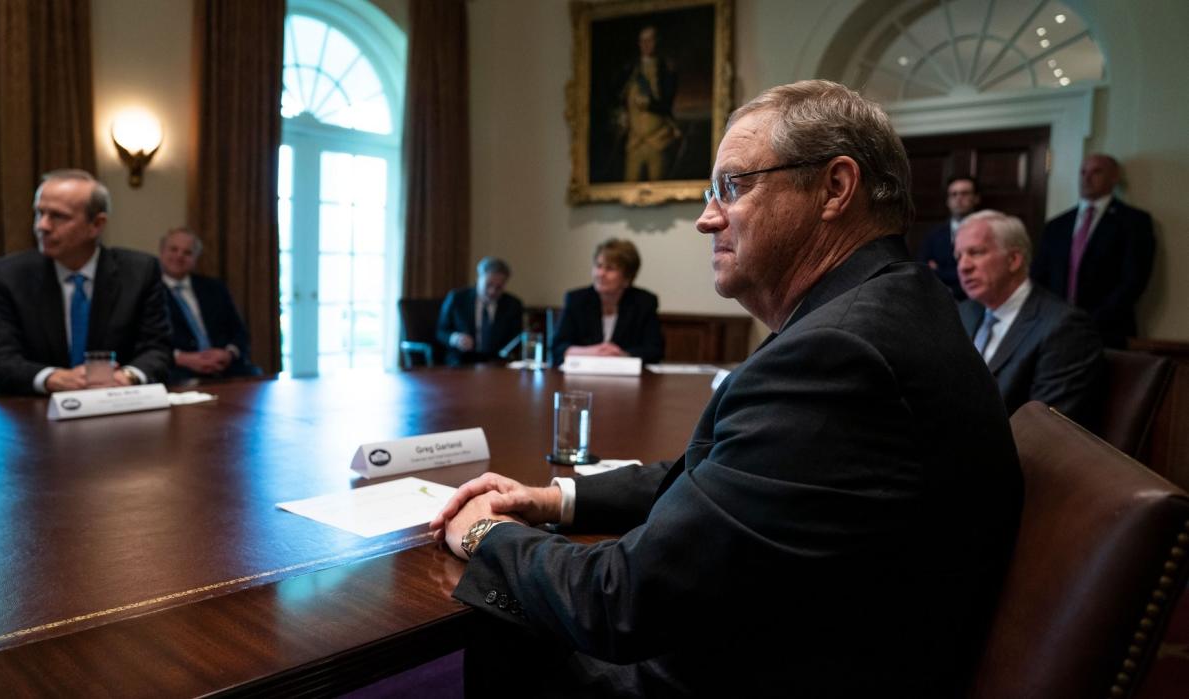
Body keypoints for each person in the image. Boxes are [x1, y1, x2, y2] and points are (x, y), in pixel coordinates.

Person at [431, 80, 1022, 697]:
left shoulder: (840, 355)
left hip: (774, 672)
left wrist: (484, 533)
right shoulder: (889, 306)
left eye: (732, 187)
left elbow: (618, 603)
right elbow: (720, 471)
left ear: (835, 188)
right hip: (837, 637)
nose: (706, 217)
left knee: (509, 620)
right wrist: (555, 499)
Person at [0, 169, 171, 395]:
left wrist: (127, 377)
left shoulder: (140, 272)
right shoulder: (7, 276)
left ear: (97, 225)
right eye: (39, 213)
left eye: (58, 216)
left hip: (117, 408)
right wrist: (52, 378)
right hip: (37, 416)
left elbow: (157, 350)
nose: (42, 225)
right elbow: (1, 362)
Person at [956, 210, 1105, 428]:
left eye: (976, 252)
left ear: (1014, 259)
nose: (963, 266)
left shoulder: (1065, 327)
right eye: (958, 256)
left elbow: (1043, 431)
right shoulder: (965, 312)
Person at [1031, 154, 1155, 348]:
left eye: (1096, 171)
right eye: (1083, 172)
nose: (1086, 178)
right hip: (1054, 329)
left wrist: (1091, 320)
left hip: (1107, 331)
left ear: (1114, 177)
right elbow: (1039, 277)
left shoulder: (1134, 222)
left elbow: (1133, 280)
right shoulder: (1057, 225)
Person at [158, 226, 261, 383]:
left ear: (195, 258)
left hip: (226, 370)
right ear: (161, 252)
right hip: (178, 372)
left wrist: (228, 353)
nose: (179, 256)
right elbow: (143, 343)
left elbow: (240, 333)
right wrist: (182, 358)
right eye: (173, 249)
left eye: (187, 252)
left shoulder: (214, 288)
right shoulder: (149, 292)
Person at [551, 238, 664, 367]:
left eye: (610, 269)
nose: (600, 274)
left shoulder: (644, 302)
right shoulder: (576, 300)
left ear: (627, 277)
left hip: (627, 379)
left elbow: (655, 350)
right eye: (598, 266)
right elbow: (557, 349)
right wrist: (592, 352)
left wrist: (622, 354)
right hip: (582, 378)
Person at [614, 25, 680, 182]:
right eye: (643, 41)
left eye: (650, 40)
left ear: (656, 42)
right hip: (634, 141)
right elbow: (619, 99)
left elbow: (666, 104)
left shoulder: (666, 70)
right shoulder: (630, 70)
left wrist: (650, 104)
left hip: (658, 140)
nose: (646, 44)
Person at [436, 257, 525, 366]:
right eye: (489, 285)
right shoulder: (457, 299)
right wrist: (455, 338)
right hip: (461, 361)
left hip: (497, 363)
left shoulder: (513, 305)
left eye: (499, 287)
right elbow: (440, 332)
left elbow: (516, 339)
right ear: (479, 278)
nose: (492, 291)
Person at [918, 175, 980, 299]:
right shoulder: (934, 235)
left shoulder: (987, 232)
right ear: (948, 200)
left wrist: (939, 271)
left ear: (976, 198)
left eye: (965, 193)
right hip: (938, 299)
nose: (959, 198)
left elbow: (982, 272)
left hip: (975, 300)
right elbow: (923, 271)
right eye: (954, 194)